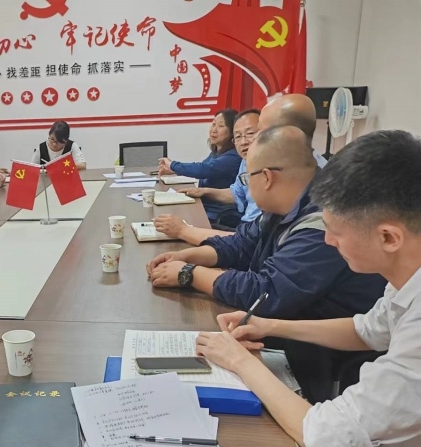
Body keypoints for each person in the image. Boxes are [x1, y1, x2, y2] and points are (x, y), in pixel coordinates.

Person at [196, 130, 421, 447]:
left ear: (388, 236)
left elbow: (322, 438)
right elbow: (367, 329)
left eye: (335, 231)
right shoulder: (407, 275)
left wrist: (241, 363)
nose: (328, 241)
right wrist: (269, 325)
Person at [147, 126, 386, 400]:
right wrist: (188, 256)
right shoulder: (282, 207)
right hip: (289, 328)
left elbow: (266, 291)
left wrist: (189, 274)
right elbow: (241, 244)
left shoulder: (323, 223)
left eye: (246, 177)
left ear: (267, 177)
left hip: (321, 357)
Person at [155, 109, 260, 244]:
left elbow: (204, 169)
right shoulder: (244, 161)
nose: (244, 141)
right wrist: (205, 191)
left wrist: (173, 165)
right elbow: (236, 192)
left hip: (242, 230)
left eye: (250, 134)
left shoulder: (245, 160)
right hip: (244, 230)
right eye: (238, 136)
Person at [158, 109, 242, 225]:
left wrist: (173, 165)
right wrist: (173, 171)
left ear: (233, 131)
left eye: (221, 126)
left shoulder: (233, 156)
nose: (214, 130)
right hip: (204, 207)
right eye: (213, 124)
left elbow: (204, 169)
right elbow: (203, 168)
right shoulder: (217, 152)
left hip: (219, 214)